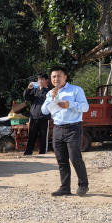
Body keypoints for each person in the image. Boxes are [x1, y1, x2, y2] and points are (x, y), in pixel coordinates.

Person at [41, 66, 90, 197]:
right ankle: (65, 187)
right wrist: (51, 98)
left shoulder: (76, 90)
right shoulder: (50, 93)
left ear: (65, 77)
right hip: (57, 129)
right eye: (53, 77)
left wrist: (70, 105)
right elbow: (44, 111)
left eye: (59, 76)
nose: (56, 79)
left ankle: (83, 185)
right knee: (61, 159)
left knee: (75, 158)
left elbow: (85, 107)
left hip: (73, 128)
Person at [23, 74, 51, 155]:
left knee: (43, 136)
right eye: (38, 79)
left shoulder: (49, 91)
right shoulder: (34, 90)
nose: (40, 81)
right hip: (33, 116)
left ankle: (43, 152)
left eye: (42, 79)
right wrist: (28, 89)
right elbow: (26, 97)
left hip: (44, 117)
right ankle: (28, 152)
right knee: (31, 135)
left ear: (46, 80)